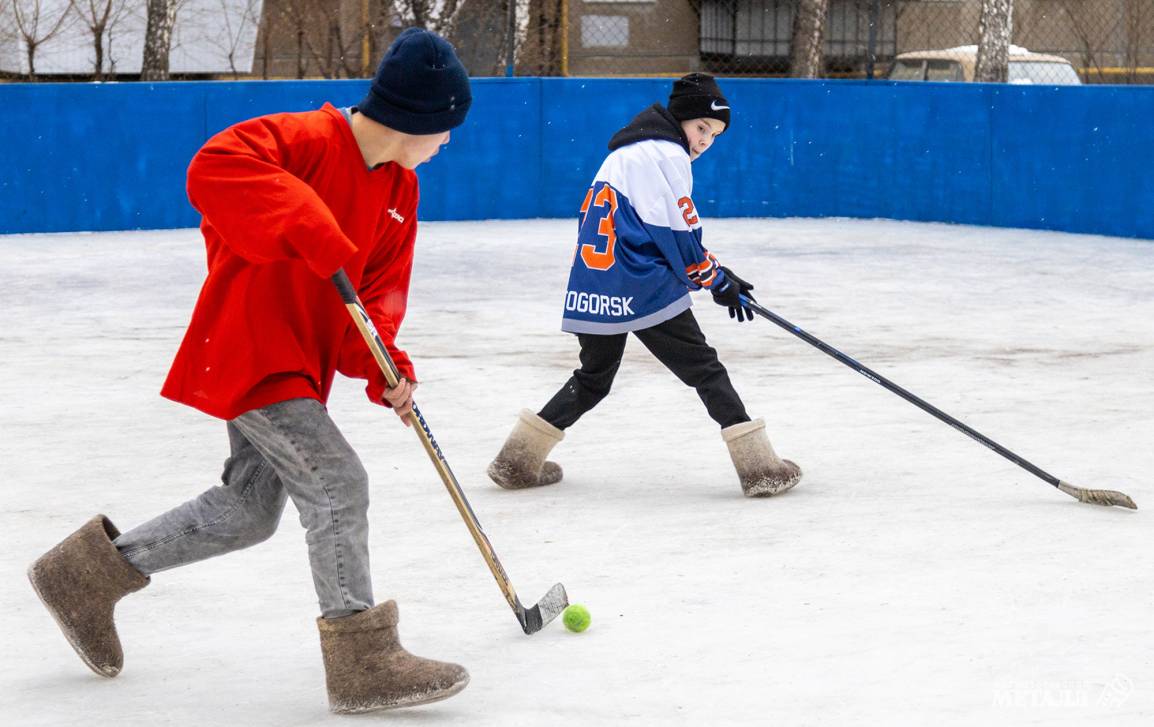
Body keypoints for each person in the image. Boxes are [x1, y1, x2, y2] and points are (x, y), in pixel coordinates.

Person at [27, 28, 473, 715]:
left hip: (301, 365)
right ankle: (360, 656)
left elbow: (373, 301)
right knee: (336, 480)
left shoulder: (400, 192)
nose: (449, 143)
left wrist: (386, 366)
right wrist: (308, 220)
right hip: (252, 348)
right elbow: (212, 168)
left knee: (247, 510)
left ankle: (83, 575)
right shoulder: (300, 138)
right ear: (418, 118)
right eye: (446, 129)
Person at [487, 73, 802, 498]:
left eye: (715, 135)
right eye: (702, 128)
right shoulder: (665, 154)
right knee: (705, 369)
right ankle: (760, 468)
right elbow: (674, 234)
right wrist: (715, 279)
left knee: (593, 379)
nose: (706, 141)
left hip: (595, 282)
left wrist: (715, 270)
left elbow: (646, 227)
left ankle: (517, 460)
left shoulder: (627, 153)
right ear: (682, 119)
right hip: (640, 283)